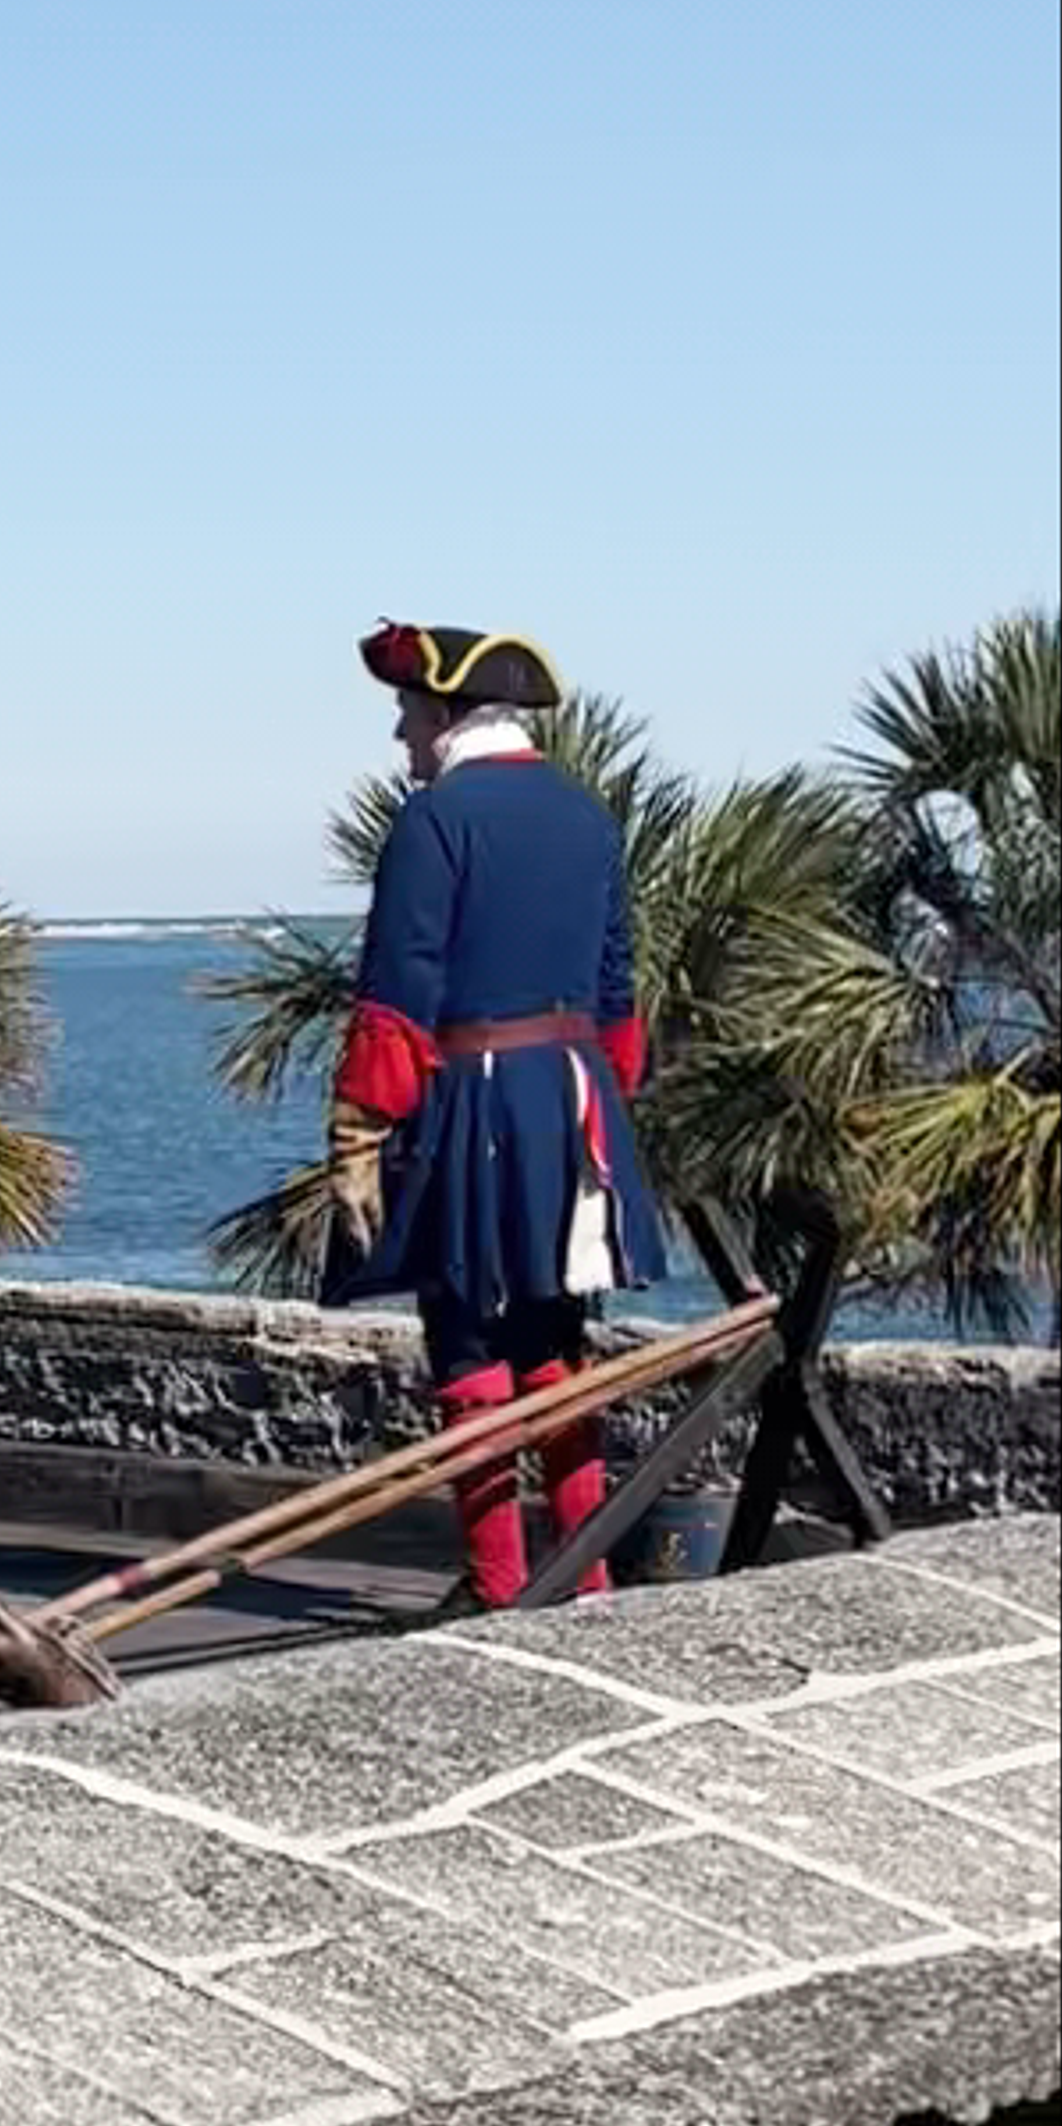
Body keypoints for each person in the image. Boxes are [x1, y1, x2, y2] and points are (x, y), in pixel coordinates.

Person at [328, 623, 665, 1605]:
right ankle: (587, 1577)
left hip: (472, 1097)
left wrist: (357, 1130)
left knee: (466, 1334)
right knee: (555, 1336)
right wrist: (598, 1106)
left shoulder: (435, 819)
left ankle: (499, 1581)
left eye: (406, 713)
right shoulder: (588, 816)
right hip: (573, 1097)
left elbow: (399, 990)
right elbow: (615, 992)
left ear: (443, 712)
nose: (400, 736)